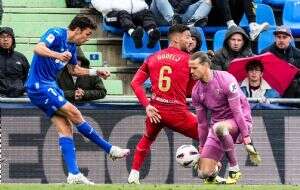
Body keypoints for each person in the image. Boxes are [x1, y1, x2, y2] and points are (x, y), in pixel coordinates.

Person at [25, 15, 129, 184]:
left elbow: (74, 70)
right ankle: (109, 149)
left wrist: (96, 72)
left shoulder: (72, 46)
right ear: (78, 30)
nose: (88, 39)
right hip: (38, 86)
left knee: (66, 126)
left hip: (50, 85)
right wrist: (57, 55)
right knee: (75, 112)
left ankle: (73, 174)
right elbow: (38, 48)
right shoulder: (56, 33)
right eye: (87, 34)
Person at [128, 24, 200, 184]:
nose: (190, 40)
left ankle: (133, 175)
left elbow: (135, 83)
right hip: (176, 112)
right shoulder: (188, 60)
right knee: (209, 135)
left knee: (146, 139)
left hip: (155, 111)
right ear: (176, 38)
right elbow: (190, 91)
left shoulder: (152, 57)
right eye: (187, 36)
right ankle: (208, 172)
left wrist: (147, 105)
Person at [190, 51, 261, 184]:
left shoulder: (226, 79)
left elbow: (237, 112)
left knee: (220, 127)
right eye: (190, 68)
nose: (191, 71)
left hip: (240, 122)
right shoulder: (196, 91)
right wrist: (202, 147)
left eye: (194, 67)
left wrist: (247, 138)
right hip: (217, 127)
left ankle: (234, 169)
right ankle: (215, 172)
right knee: (203, 173)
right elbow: (202, 123)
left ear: (205, 65)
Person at [92, 0, 160, 48]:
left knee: (147, 13)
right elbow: (96, 1)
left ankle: (152, 33)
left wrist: (144, 6)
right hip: (114, 15)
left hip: (134, 14)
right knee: (123, 13)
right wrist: (107, 9)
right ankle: (133, 34)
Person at [261, 25, 300, 99]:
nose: (281, 40)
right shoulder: (265, 53)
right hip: (272, 86)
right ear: (275, 38)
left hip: (293, 87)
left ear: (290, 39)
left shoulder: (298, 54)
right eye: (278, 37)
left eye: (284, 37)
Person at [0, 27, 29, 97]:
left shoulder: (21, 57)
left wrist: (23, 89)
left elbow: (29, 77)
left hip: (18, 99)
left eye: (9, 37)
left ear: (13, 40)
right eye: (2, 37)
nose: (5, 39)